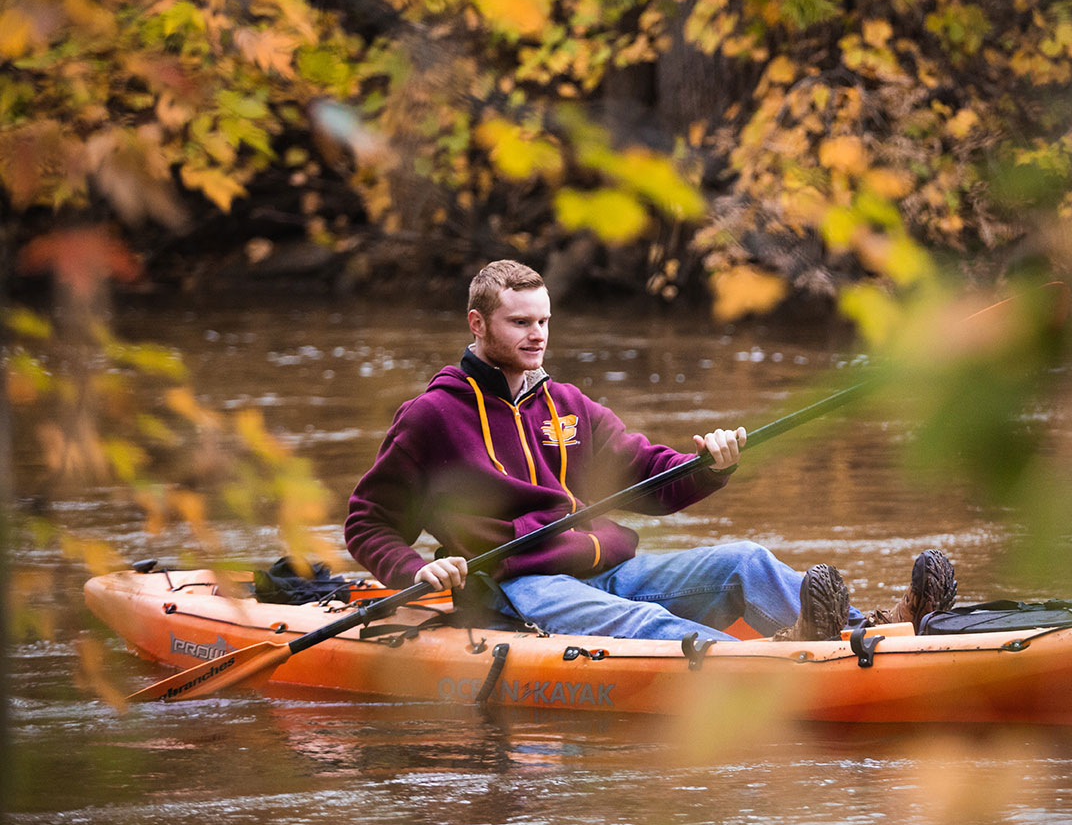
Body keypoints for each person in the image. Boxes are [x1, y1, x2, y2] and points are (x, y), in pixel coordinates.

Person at [345, 259, 955, 642]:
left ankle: (872, 633)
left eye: (544, 322)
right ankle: (770, 670)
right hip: (518, 583)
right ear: (477, 325)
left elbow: (652, 478)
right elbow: (368, 522)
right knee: (649, 628)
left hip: (608, 565)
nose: (537, 336)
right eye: (519, 323)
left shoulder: (569, 405)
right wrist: (415, 569)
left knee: (745, 559)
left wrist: (715, 464)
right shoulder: (431, 417)